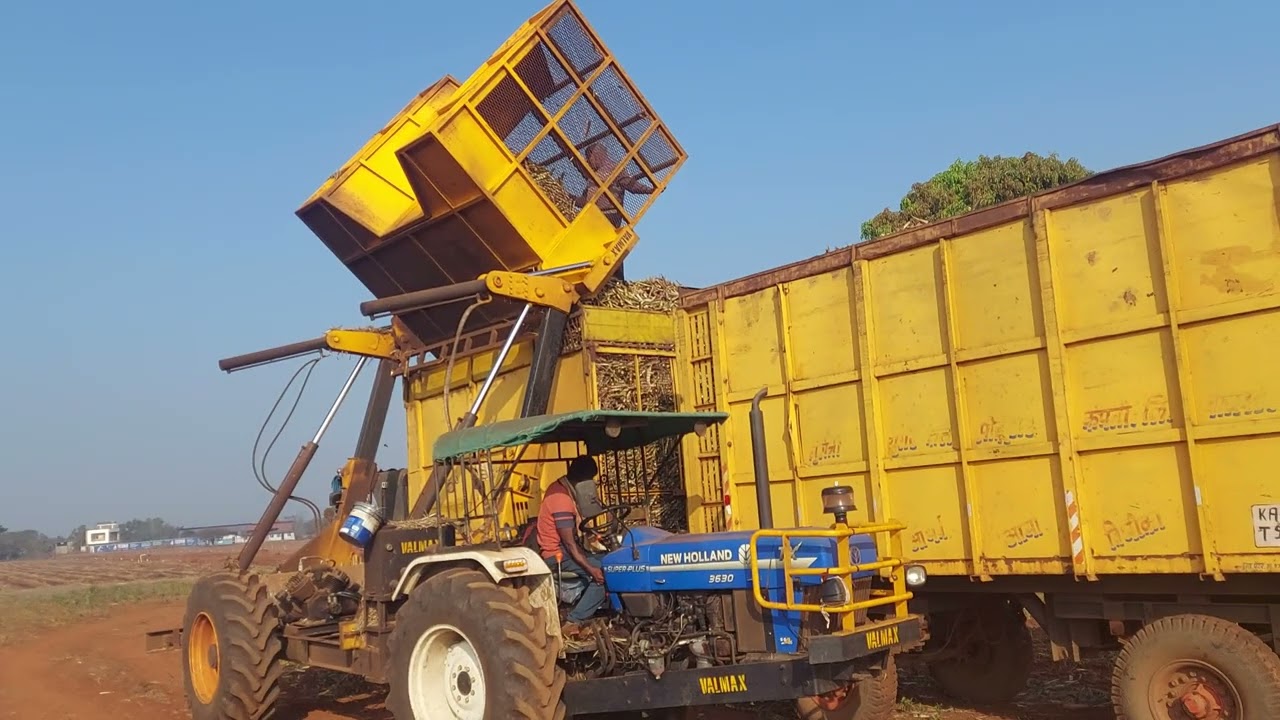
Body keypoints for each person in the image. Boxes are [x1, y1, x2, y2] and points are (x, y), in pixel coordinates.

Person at [536, 456, 607, 634]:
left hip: (567, 552)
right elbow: (570, 544)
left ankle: (608, 613)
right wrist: (592, 570)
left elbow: (577, 528)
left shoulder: (563, 490)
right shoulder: (560, 499)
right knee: (609, 573)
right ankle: (573, 620)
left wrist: (597, 534)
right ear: (583, 480)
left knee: (612, 559)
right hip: (557, 556)